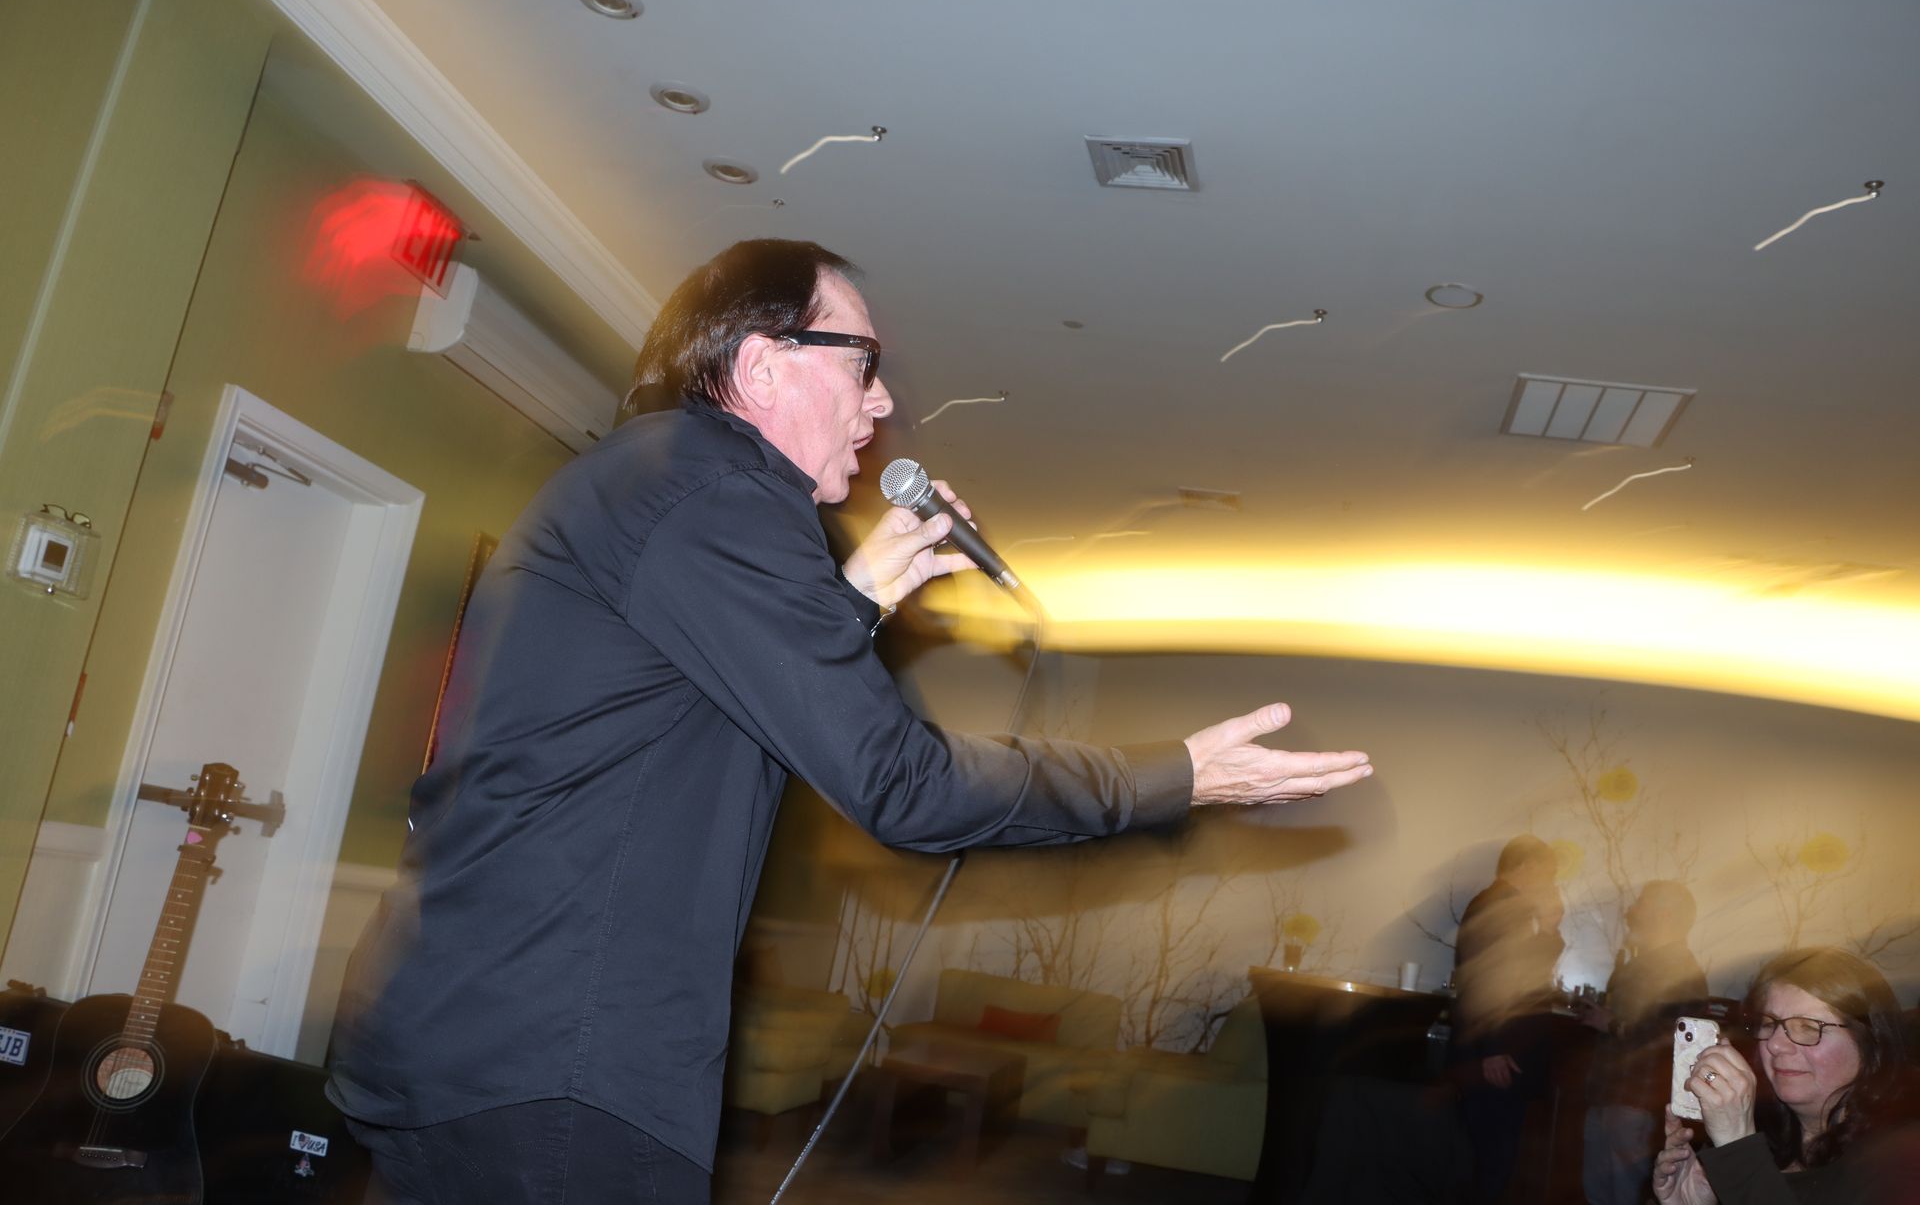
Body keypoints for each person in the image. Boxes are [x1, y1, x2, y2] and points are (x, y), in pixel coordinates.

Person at [326, 239, 1372, 1204]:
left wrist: (857, 600)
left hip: (484, 1034)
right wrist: (1172, 774)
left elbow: (666, 708)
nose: (880, 404)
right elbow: (903, 782)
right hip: (552, 1056)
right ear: (764, 364)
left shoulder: (658, 487)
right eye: (862, 363)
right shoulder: (716, 491)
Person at [1654, 946, 1920, 1204]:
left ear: (1870, 1042)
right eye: (1770, 1024)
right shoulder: (1759, 1140)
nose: (1775, 1044)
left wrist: (1737, 1146)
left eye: (1807, 1027)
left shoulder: (1901, 1159)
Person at [1451, 833, 1566, 1203]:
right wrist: (1495, 1048)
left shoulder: (1491, 903)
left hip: (1491, 1052)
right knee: (1492, 1163)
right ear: (1528, 868)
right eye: (1547, 874)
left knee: (1483, 1161)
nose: (1549, 884)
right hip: (1499, 1056)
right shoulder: (1505, 907)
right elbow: (1499, 981)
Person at [1583, 880, 1711, 1205]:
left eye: (1642, 904)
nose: (1632, 910)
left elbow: (1670, 1039)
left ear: (1665, 914)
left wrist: (1612, 1023)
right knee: (1601, 1195)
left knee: (1627, 1196)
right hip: (1611, 1098)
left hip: (1636, 1106)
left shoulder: (1679, 969)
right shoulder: (1645, 963)